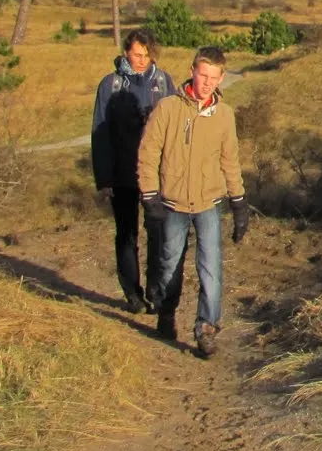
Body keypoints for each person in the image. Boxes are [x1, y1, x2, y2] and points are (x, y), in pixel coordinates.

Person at [137, 45, 250, 358]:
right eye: (203, 75)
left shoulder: (224, 115)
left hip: (208, 202)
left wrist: (239, 202)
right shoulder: (168, 108)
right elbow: (148, 153)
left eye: (214, 77)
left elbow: (230, 160)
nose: (207, 82)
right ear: (192, 72)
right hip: (171, 203)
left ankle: (206, 328)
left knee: (211, 267)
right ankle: (167, 311)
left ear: (221, 78)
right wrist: (149, 195)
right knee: (169, 264)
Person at [90, 28, 178, 313]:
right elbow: (100, 133)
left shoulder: (164, 83)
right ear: (126, 52)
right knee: (126, 235)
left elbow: (176, 129)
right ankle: (132, 293)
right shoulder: (110, 85)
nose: (142, 60)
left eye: (147, 55)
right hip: (122, 173)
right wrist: (104, 178)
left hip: (157, 174)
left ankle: (155, 290)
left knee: (158, 232)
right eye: (137, 54)